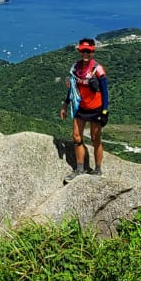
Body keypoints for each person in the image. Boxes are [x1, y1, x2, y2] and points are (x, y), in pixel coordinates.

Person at [61, 38, 109, 180]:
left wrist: (105, 111)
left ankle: (98, 169)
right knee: (76, 137)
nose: (86, 54)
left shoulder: (98, 70)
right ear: (79, 51)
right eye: (83, 51)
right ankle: (80, 169)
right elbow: (73, 89)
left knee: (95, 139)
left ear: (93, 52)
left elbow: (105, 92)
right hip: (80, 107)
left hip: (95, 109)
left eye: (88, 51)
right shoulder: (75, 68)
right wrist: (65, 104)